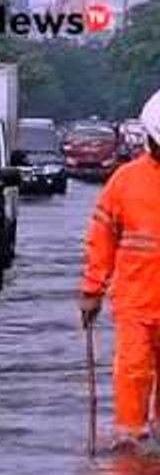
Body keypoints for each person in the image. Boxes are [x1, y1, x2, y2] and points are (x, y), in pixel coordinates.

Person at [80, 88, 160, 451]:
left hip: (138, 297)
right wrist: (92, 290)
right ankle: (130, 444)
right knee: (132, 372)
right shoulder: (125, 181)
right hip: (136, 302)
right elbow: (102, 238)